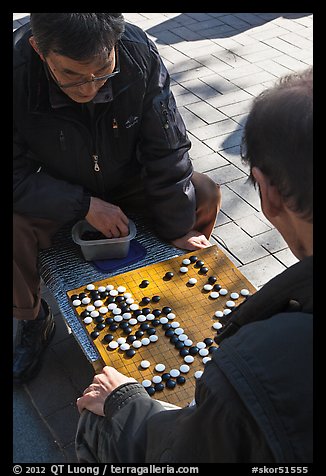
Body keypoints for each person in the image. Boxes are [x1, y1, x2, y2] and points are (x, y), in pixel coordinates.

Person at [75, 67, 313, 463]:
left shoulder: (259, 366)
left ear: (268, 195)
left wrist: (127, 402)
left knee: (97, 419)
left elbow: (184, 452)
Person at [13, 13, 221, 385]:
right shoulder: (16, 71)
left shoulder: (138, 54)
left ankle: (172, 278)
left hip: (126, 181)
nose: (88, 88)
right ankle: (32, 319)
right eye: (70, 75)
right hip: (54, 188)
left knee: (203, 192)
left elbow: (167, 149)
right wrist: (84, 205)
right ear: (38, 50)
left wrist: (178, 227)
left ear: (115, 41)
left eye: (101, 71)